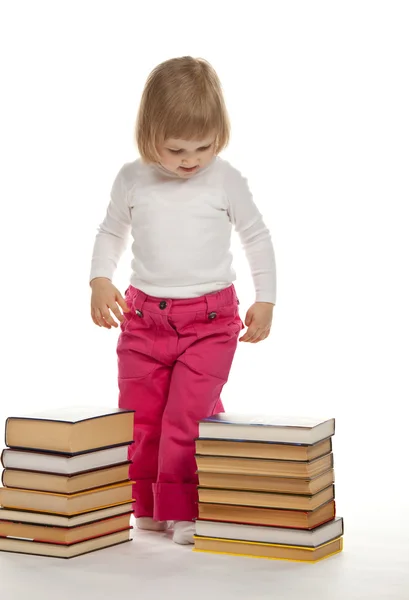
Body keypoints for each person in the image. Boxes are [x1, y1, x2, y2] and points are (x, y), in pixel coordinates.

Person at [89, 56, 277, 545]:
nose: (190, 159)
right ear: (149, 136)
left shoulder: (225, 179)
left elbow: (255, 236)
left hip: (211, 321)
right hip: (143, 320)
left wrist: (267, 298)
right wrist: (99, 280)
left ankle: (186, 506)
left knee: (186, 417)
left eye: (204, 146)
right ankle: (149, 505)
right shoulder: (133, 179)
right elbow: (111, 231)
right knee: (142, 416)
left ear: (221, 136)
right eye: (175, 149)